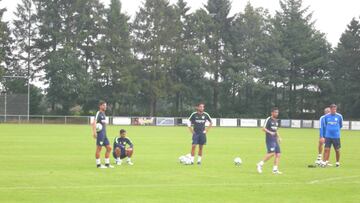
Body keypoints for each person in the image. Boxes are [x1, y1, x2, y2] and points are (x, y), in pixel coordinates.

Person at [257, 107, 282, 174]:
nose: (277, 113)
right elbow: (263, 128)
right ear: (272, 113)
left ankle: (275, 170)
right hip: (269, 139)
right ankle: (260, 164)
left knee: (278, 154)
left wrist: (279, 137)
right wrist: (270, 132)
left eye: (277, 112)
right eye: (275, 112)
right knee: (271, 153)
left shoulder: (276, 121)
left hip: (275, 139)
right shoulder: (268, 119)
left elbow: (276, 130)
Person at [92, 101, 113, 168]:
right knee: (99, 149)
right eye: (104, 105)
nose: (105, 106)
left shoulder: (104, 114)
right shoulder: (99, 113)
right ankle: (98, 165)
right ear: (100, 106)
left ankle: (107, 164)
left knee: (109, 148)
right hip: (100, 134)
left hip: (104, 134)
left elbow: (103, 124)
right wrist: (94, 132)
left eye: (105, 105)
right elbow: (94, 123)